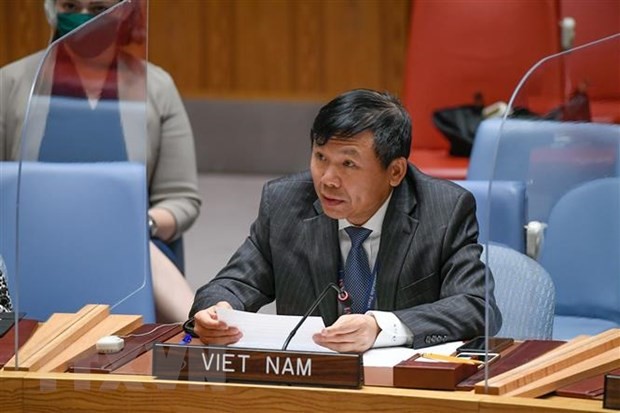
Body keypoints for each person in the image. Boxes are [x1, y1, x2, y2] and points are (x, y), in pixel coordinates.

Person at [190, 89, 502, 352]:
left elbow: (477, 306)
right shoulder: (286, 203)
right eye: (320, 157)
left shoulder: (443, 210)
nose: (327, 179)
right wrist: (217, 311)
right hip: (309, 387)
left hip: (402, 388)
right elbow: (234, 283)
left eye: (348, 164)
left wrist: (382, 327)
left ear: (395, 171)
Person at [0, 0, 201, 322]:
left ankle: (197, 332)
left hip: (129, 245)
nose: (83, 17)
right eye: (70, 5)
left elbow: (182, 199)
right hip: (32, 241)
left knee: (136, 247)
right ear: (52, 9)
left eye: (98, 8)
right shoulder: (10, 83)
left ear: (124, 12)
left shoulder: (157, 87)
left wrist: (134, 225)